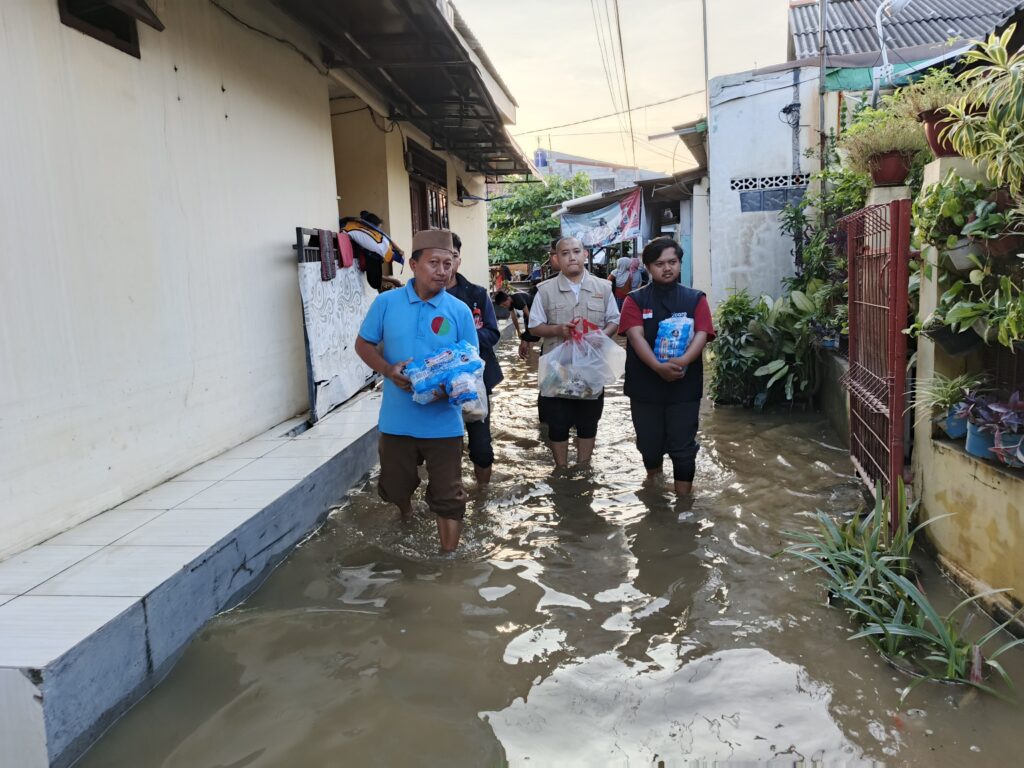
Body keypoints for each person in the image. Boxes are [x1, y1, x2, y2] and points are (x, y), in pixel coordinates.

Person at [354, 229, 477, 552]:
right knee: (396, 487)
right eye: (433, 262)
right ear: (413, 264)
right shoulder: (386, 303)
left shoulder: (459, 311)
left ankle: (448, 558)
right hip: (397, 420)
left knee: (449, 495)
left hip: (443, 422)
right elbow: (363, 343)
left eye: (448, 263)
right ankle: (406, 514)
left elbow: (471, 362)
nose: (442, 270)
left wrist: (449, 388)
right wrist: (387, 369)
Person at [618, 237, 714, 496]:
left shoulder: (695, 299)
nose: (667, 268)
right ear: (648, 267)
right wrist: (658, 367)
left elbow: (702, 334)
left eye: (672, 262)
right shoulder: (634, 300)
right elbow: (636, 337)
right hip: (645, 387)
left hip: (684, 385)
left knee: (683, 448)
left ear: (680, 264)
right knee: (649, 445)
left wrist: (683, 361)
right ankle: (655, 484)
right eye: (659, 263)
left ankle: (684, 504)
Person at [529, 236, 620, 468]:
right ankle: (561, 469)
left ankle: (583, 467)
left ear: (585, 255)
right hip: (557, 368)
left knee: (589, 422)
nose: (572, 256)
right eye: (565, 253)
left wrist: (601, 337)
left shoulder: (604, 288)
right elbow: (534, 326)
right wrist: (558, 329)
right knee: (557, 424)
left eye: (576, 251)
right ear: (557, 258)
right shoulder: (545, 290)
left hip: (591, 367)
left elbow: (614, 321)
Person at [446, 233, 502, 486]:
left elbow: (492, 333)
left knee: (481, 447)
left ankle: (482, 496)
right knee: (445, 449)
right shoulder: (423, 298)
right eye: (439, 258)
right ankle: (451, 494)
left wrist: (462, 344)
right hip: (439, 384)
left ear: (459, 259)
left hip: (476, 383)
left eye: (453, 257)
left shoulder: (477, 294)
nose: (447, 264)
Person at [492, 289, 536, 360]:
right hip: (528, 311)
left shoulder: (518, 299)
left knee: (530, 332)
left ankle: (531, 354)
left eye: (504, 304)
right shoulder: (510, 303)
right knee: (527, 334)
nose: (505, 306)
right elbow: (514, 318)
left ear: (508, 298)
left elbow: (529, 316)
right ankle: (529, 354)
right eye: (503, 306)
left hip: (534, 307)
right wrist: (518, 331)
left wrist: (527, 334)